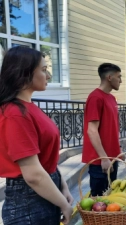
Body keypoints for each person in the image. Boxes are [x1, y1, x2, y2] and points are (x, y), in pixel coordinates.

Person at [0, 46, 73, 224]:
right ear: (24, 72)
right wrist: (64, 204)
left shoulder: (28, 107)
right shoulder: (15, 113)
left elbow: (44, 160)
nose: (48, 76)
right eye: (43, 69)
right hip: (28, 202)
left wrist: (62, 185)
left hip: (45, 192)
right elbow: (32, 174)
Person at [82, 63, 123, 197]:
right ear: (109, 77)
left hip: (112, 157)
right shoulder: (95, 97)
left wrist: (118, 150)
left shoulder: (111, 98)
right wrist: (104, 158)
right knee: (98, 201)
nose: (121, 80)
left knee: (111, 197)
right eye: (119, 77)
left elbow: (111, 128)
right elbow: (92, 131)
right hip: (101, 160)